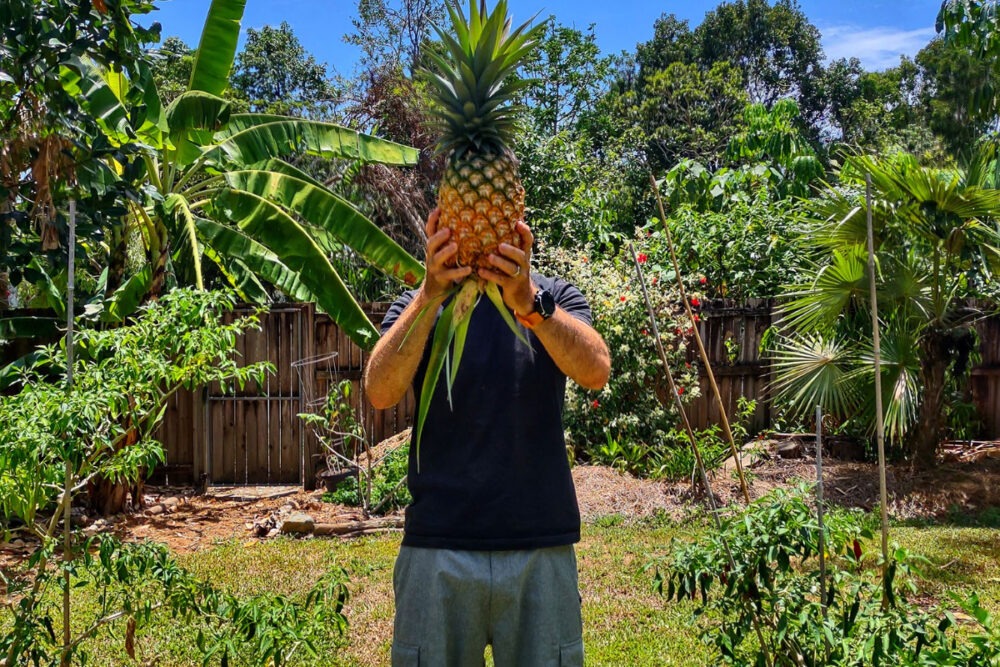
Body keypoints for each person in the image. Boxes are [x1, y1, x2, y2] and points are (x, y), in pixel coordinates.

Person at [364, 208, 611, 666]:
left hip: (540, 546)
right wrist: (429, 294)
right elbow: (379, 391)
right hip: (438, 545)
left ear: (513, 215)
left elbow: (596, 369)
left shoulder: (552, 296)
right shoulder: (419, 303)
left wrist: (530, 302)